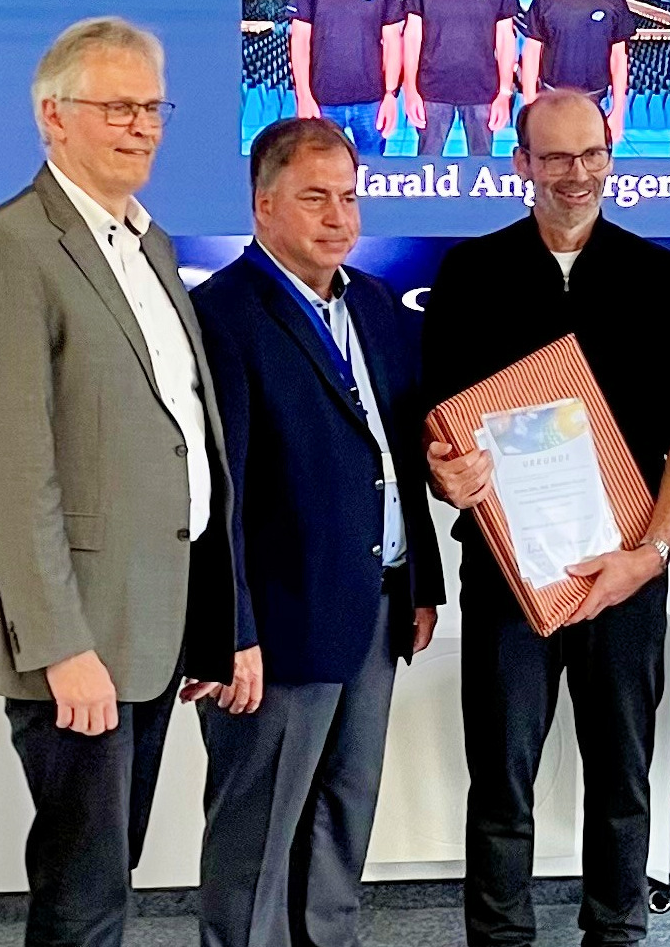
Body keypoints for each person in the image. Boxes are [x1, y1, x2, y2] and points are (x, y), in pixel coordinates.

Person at [0, 17, 235, 947]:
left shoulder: (149, 244)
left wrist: (212, 614)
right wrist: (61, 644)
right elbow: (10, 469)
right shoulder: (8, 248)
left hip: (153, 623)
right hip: (79, 639)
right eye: (116, 107)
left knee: (112, 867)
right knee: (83, 893)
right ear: (53, 116)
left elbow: (180, 436)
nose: (140, 126)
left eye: (151, 107)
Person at [420, 88, 670, 946]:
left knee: (623, 776)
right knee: (500, 779)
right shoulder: (470, 272)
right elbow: (437, 426)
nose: (576, 173)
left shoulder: (660, 276)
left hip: (626, 572)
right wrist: (446, 473)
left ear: (610, 158)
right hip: (507, 575)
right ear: (521, 163)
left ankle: (615, 933)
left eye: (591, 154)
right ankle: (499, 939)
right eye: (554, 156)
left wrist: (652, 553)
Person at [189, 117, 446, 947]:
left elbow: (396, 453)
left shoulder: (372, 303)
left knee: (344, 810)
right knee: (257, 832)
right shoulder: (222, 314)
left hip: (377, 605)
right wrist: (229, 629)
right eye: (314, 198)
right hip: (276, 623)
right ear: (264, 206)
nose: (339, 217)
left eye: (348, 197)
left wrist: (421, 580)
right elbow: (215, 493)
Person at [404, 0, 520, 158]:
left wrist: (505, 93)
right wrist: (410, 89)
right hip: (432, 89)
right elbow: (412, 34)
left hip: (482, 91)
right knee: (427, 164)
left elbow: (505, 37)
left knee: (481, 166)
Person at [288, 0, 405, 155]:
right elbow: (300, 39)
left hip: (372, 102)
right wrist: (303, 96)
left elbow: (392, 41)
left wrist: (390, 94)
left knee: (372, 166)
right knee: (321, 164)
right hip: (321, 101)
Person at [517, 0, 635, 145]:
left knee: (591, 156)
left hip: (596, 103)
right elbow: (532, 53)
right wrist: (530, 104)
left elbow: (619, 58)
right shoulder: (544, 3)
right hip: (552, 99)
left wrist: (618, 112)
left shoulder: (614, 3)